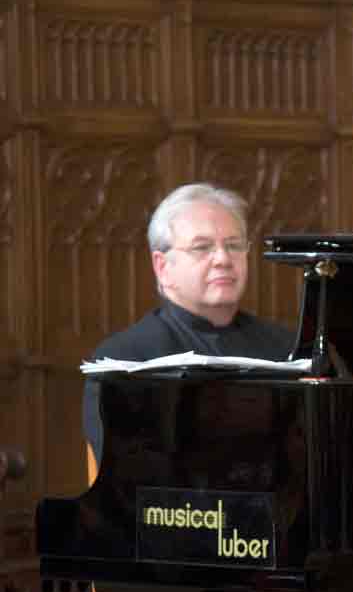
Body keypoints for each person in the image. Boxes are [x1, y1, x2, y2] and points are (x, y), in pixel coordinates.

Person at [83, 183, 293, 463]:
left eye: (233, 245)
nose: (223, 259)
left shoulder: (287, 349)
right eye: (202, 247)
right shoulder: (125, 360)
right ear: (162, 267)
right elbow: (128, 474)